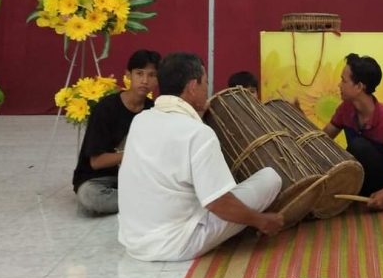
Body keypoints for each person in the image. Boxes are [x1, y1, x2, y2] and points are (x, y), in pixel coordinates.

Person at [118, 52, 284, 261]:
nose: (207, 89)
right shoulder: (198, 133)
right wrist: (261, 220)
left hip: (134, 241)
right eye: (205, 82)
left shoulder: (140, 120)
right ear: (192, 86)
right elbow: (218, 204)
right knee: (270, 178)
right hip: (176, 245)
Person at [72, 49, 161, 215]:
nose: (144, 80)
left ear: (158, 80)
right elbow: (96, 162)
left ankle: (140, 199)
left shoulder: (154, 110)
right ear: (128, 75)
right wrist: (135, 154)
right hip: (100, 179)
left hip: (136, 177)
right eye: (139, 74)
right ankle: (147, 200)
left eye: (152, 75)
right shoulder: (105, 109)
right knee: (90, 196)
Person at [323, 54, 383, 210]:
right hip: (357, 177)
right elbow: (323, 140)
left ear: (359, 87)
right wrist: (299, 118)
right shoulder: (346, 108)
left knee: (358, 146)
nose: (339, 85)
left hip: (382, 185)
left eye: (343, 81)